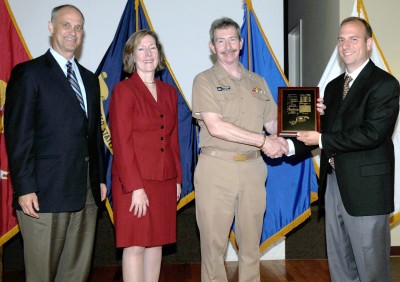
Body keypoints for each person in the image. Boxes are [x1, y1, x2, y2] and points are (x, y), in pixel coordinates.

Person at [4, 5, 107, 282]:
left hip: (85, 192)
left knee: (76, 271)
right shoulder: (29, 73)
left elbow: (94, 134)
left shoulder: (89, 79)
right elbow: (18, 135)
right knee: (42, 274)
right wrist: (25, 188)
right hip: (44, 193)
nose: (72, 32)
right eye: (66, 25)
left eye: (78, 27)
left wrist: (99, 179)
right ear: (51, 27)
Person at [295, 17, 399, 282]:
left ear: (369, 43)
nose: (346, 45)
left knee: (371, 268)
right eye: (341, 39)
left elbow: (371, 133)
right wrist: (313, 121)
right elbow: (332, 131)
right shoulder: (332, 87)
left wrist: (321, 138)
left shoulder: (385, 84)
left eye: (353, 38)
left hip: (366, 191)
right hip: (333, 184)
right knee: (340, 262)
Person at [191, 17, 288, 282]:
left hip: (254, 170)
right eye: (220, 41)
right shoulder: (204, 80)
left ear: (241, 43)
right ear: (212, 46)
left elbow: (273, 124)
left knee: (250, 247)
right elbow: (216, 127)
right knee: (213, 248)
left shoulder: (257, 81)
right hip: (216, 169)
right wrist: (263, 141)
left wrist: (306, 115)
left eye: (232, 39)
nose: (227, 46)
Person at [109, 29, 182, 282]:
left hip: (164, 180)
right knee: (136, 245)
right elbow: (121, 142)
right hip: (134, 182)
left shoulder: (170, 92)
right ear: (132, 55)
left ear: (159, 53)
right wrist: (135, 187)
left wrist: (177, 180)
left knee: (156, 243)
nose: (148, 53)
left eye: (152, 48)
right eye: (141, 48)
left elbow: (173, 140)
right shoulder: (124, 91)